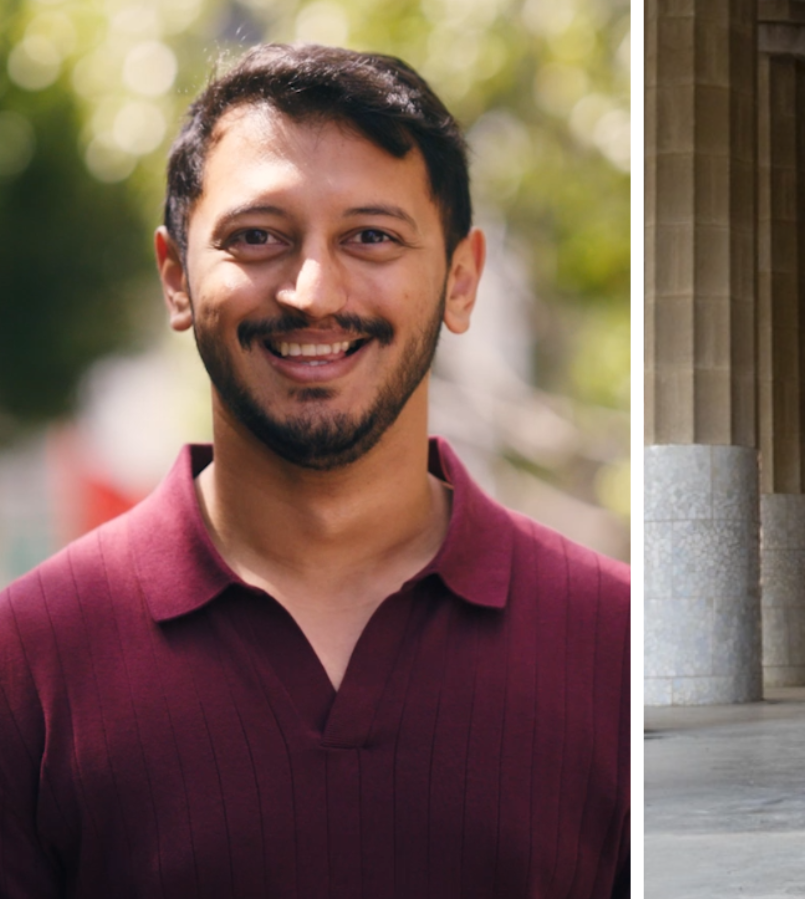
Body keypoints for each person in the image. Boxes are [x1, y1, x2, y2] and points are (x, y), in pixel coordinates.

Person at [0, 43, 630, 898]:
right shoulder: (26, 662)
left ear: (460, 279)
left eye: (372, 237)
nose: (314, 291)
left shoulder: (614, 642)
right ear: (176, 278)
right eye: (257, 237)